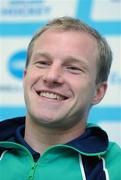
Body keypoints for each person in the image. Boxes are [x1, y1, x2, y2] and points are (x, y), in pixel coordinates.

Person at [0, 17, 121, 180]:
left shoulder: (114, 168)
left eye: (73, 68)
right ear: (25, 76)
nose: (51, 76)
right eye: (43, 62)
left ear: (98, 92)